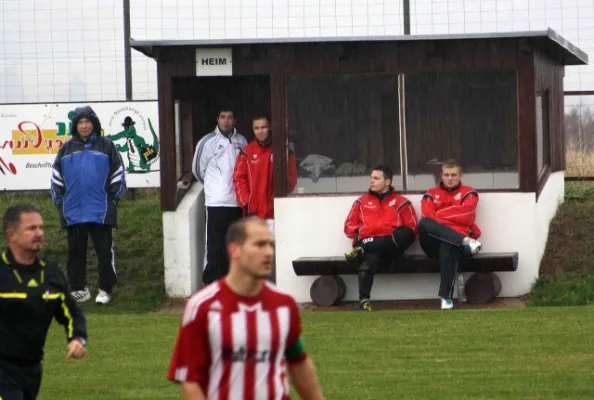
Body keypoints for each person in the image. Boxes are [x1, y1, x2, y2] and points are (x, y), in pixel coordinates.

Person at [167, 217, 325, 400]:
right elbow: (190, 380)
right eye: (259, 245)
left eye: (270, 245)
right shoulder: (202, 306)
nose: (268, 252)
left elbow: (298, 363)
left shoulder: (284, 304)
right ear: (235, 250)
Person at [0, 204, 87, 400]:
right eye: (31, 228)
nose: (39, 233)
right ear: (11, 234)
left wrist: (77, 338)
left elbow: (72, 313)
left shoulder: (51, 274)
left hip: (32, 369)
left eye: (41, 227)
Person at [50, 105, 126, 305]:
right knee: (75, 253)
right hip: (74, 211)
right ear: (75, 125)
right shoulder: (65, 149)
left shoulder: (107, 145)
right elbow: (56, 178)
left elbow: (118, 174)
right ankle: (78, 289)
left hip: (100, 210)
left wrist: (113, 198)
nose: (84, 126)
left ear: (94, 124)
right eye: (80, 123)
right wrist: (60, 201)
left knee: (104, 252)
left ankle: (105, 290)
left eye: (87, 122)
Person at [343, 165, 418, 311]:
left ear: (387, 181)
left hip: (391, 248)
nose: (371, 181)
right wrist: (365, 230)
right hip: (370, 249)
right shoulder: (360, 202)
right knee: (367, 264)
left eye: (376, 178)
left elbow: (413, 227)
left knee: (405, 233)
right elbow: (348, 228)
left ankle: (362, 248)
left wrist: (371, 239)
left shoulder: (402, 202)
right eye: (371, 178)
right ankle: (364, 300)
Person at [192, 107, 248, 285]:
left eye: (230, 117)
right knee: (215, 246)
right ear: (217, 119)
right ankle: (213, 283)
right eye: (223, 117)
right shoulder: (207, 142)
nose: (226, 121)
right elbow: (198, 170)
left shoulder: (242, 140)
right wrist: (214, 186)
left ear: (235, 120)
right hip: (216, 202)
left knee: (235, 245)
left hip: (237, 202)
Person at [419, 159, 482, 310]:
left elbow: (466, 215)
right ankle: (464, 241)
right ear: (441, 176)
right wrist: (453, 215)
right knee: (424, 223)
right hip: (432, 243)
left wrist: (438, 216)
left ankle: (445, 298)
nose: (450, 178)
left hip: (453, 245)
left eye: (453, 174)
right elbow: (427, 216)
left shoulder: (469, 193)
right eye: (446, 175)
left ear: (460, 175)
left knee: (448, 244)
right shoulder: (430, 193)